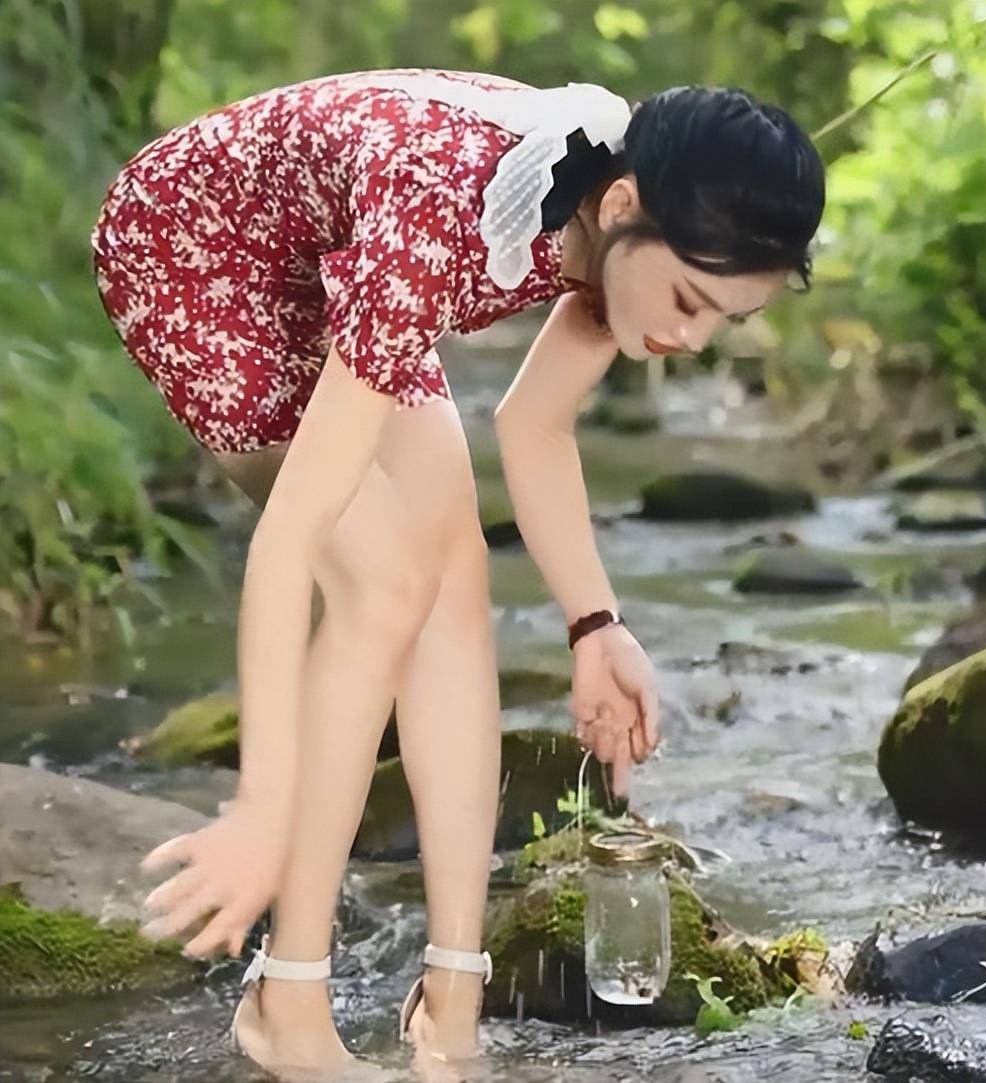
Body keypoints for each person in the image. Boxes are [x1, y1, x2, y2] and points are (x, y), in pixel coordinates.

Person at [89, 67, 825, 1078]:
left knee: (455, 581)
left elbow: (537, 423)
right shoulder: (444, 208)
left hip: (341, 263)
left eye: (718, 321)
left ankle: (452, 998)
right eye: (688, 300)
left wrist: (594, 626)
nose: (683, 340)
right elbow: (289, 539)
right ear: (622, 210)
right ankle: (287, 1006)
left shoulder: (607, 204)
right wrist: (262, 804)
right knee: (383, 583)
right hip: (197, 249)